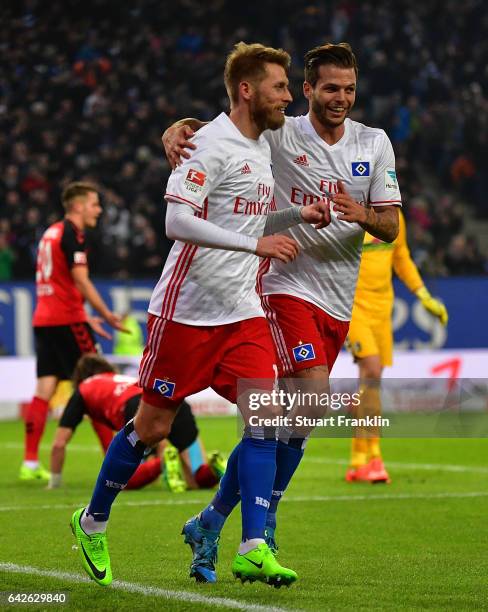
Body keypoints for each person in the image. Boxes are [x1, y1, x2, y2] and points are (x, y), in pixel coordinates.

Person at [70, 42, 330, 588]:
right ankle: (92, 520)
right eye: (280, 87)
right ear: (247, 90)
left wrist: (292, 215)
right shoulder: (207, 145)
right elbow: (178, 223)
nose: (288, 96)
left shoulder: (261, 146)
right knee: (151, 426)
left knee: (266, 419)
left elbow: (245, 217)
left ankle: (253, 545)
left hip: (242, 313)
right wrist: (257, 247)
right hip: (185, 313)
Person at [162, 42, 401, 572]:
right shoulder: (282, 132)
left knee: (293, 416)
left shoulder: (374, 143)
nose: (341, 98)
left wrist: (360, 212)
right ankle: (261, 523)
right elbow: (225, 127)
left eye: (350, 89)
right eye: (330, 88)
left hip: (339, 299)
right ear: (308, 90)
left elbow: (390, 226)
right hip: (282, 284)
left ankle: (213, 520)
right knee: (308, 398)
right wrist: (178, 128)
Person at [20, 182, 127, 482]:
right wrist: (104, 314)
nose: (99, 210)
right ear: (78, 206)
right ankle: (114, 459)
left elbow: (60, 283)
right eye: (94, 204)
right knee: (97, 385)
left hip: (45, 319)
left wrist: (85, 316)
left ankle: (29, 462)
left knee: (45, 388)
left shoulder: (50, 233)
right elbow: (80, 280)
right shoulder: (72, 233)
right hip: (67, 320)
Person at [345, 211, 448, 483]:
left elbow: (401, 258)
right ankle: (374, 458)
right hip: (352, 306)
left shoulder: (393, 217)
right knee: (373, 371)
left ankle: (357, 460)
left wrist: (423, 295)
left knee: (370, 381)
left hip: (383, 309)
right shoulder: (351, 213)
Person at [48, 354, 226, 492]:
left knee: (121, 480)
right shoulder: (120, 378)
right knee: (196, 479)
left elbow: (59, 443)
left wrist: (54, 482)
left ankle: (163, 462)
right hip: (171, 399)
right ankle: (214, 467)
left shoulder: (83, 389)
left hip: (138, 407)